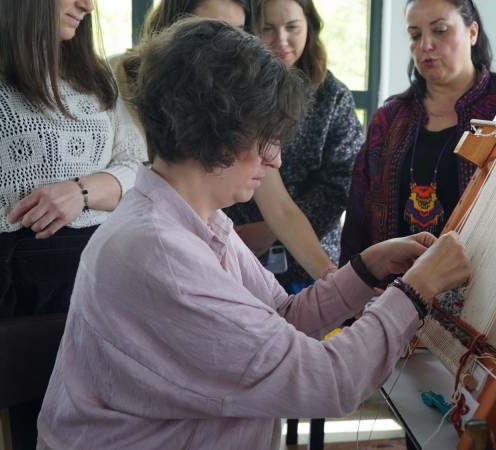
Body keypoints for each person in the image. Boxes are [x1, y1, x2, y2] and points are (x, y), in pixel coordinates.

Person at [36, 18, 471, 450]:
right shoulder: (159, 252)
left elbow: (281, 316)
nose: (276, 160)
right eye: (266, 140)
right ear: (217, 135)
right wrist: (416, 290)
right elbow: (329, 381)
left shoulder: (194, 221)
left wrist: (366, 270)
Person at [0, 0, 146, 447]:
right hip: (13, 282)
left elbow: (139, 167)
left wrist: (80, 191)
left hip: (95, 274)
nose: (88, 5)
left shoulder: (93, 77)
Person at [116, 0, 338, 281]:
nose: (229, 47)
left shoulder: (232, 106)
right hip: (135, 250)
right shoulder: (118, 79)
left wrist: (334, 279)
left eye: (238, 32)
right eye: (213, 30)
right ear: (175, 26)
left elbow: (281, 209)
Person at [340, 0, 496, 265]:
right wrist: (355, 279)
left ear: (472, 32)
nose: (425, 45)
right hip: (394, 286)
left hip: (490, 279)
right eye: (415, 35)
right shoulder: (390, 118)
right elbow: (358, 218)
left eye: (440, 30)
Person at [225, 0, 363, 291]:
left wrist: (271, 230)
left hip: (311, 251)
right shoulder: (236, 92)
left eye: (292, 27)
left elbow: (342, 182)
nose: (281, 40)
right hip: (237, 244)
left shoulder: (332, 96)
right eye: (267, 28)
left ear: (310, 27)